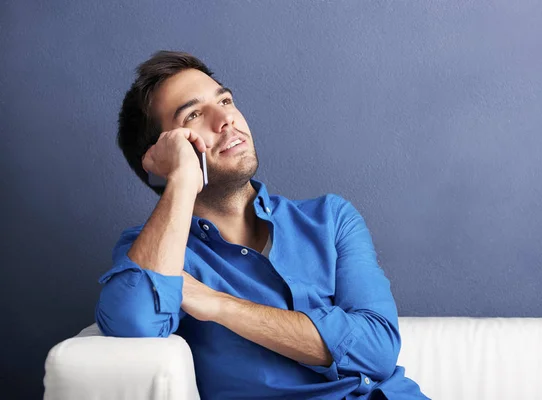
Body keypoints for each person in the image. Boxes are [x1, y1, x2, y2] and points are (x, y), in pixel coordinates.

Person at [96, 50, 428, 400]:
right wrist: (180, 179)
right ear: (160, 156)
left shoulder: (330, 218)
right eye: (193, 114)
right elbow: (132, 322)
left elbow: (377, 351)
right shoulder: (156, 256)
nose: (225, 118)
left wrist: (215, 303)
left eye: (225, 99)